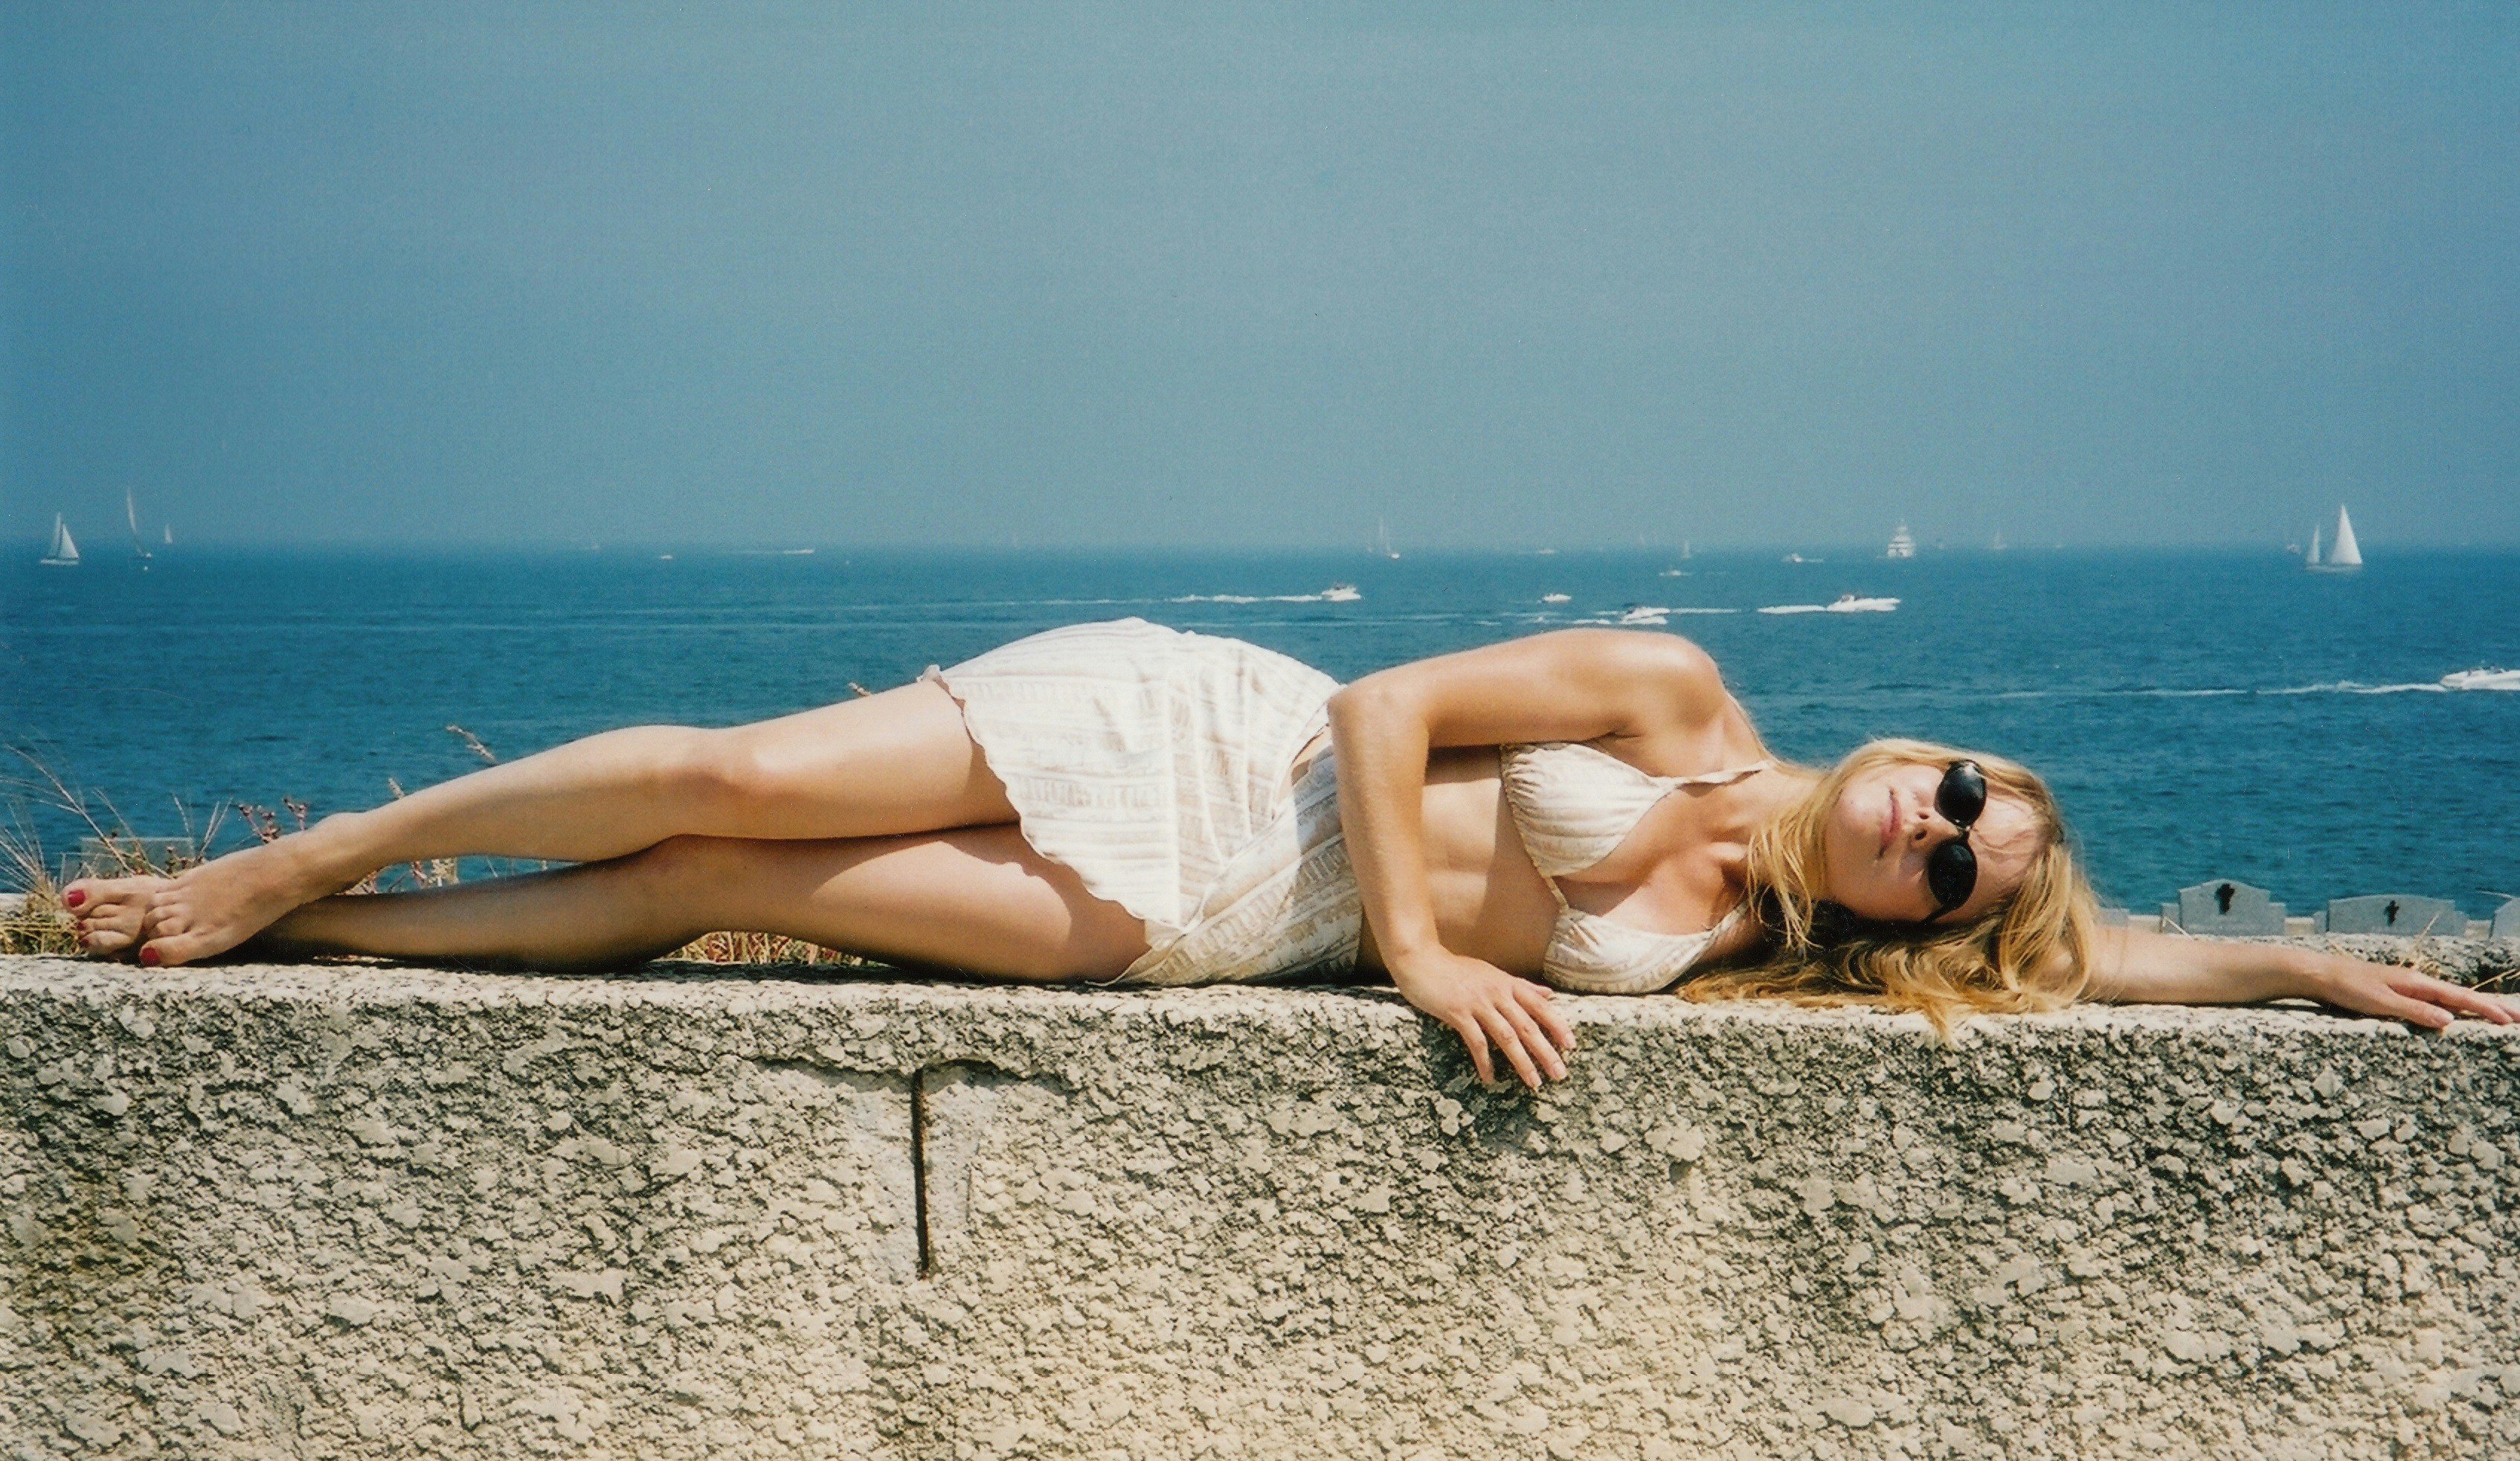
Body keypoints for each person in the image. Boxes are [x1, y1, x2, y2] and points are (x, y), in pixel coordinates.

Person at [61, 619, 2515, 1085]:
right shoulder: (1676, 702)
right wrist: (1443, 967)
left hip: (1206, 937)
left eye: (1955, 872)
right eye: (1967, 794)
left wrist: (2298, 973)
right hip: (1213, 747)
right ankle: (293, 870)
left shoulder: (1770, 939)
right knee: (741, 773)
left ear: (1908, 920)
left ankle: (345, 932)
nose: (1945, 832)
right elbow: (1384, 702)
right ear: (1924, 748)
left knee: (737, 888)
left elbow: (2068, 984)